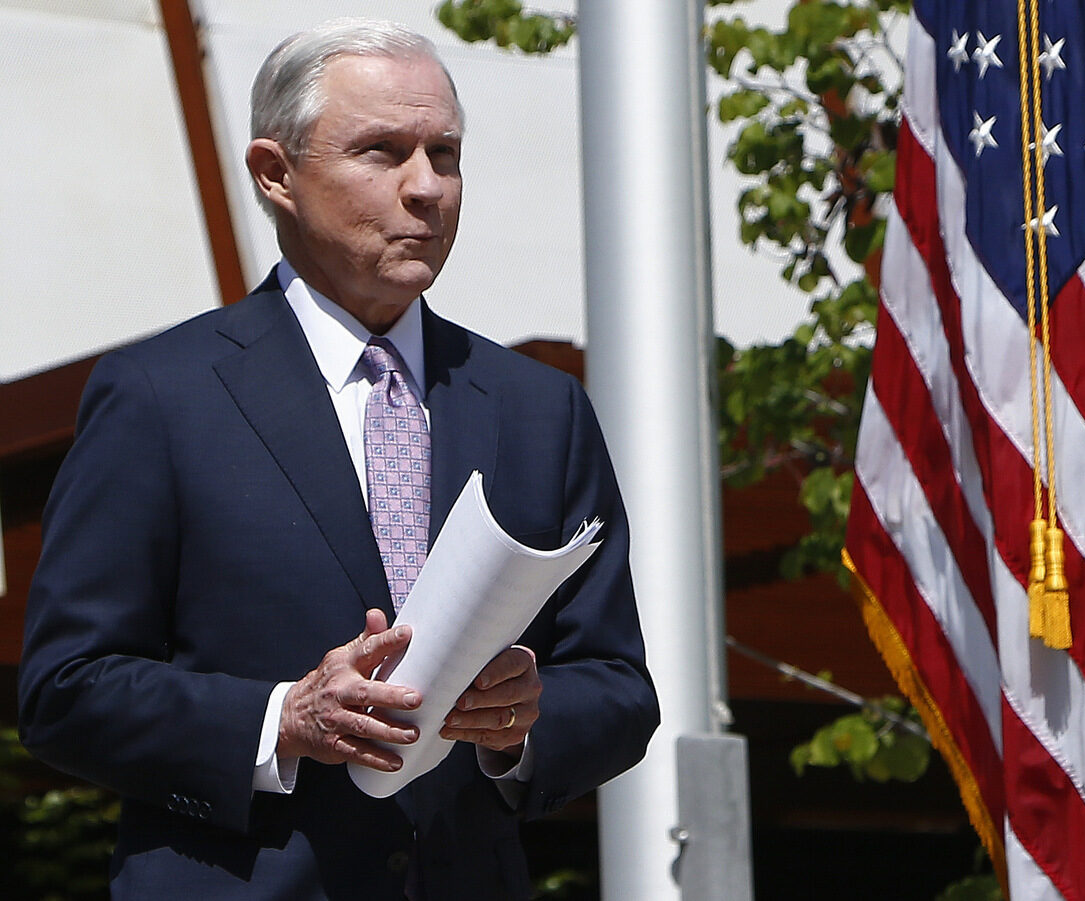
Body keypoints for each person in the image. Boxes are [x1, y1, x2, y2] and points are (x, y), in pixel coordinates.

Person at [17, 18, 657, 900]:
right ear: (276, 174)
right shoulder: (161, 397)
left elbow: (620, 685)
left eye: (446, 154)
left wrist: (523, 721)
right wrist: (284, 716)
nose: (426, 187)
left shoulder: (538, 408)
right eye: (382, 152)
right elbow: (65, 688)